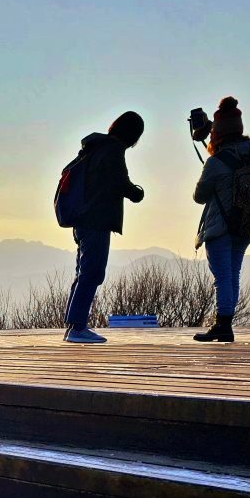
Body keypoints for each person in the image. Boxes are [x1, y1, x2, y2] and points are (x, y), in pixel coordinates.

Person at [61, 111, 146, 344]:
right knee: (93, 272)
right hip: (96, 220)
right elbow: (119, 182)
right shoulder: (113, 150)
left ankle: (72, 325)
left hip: (82, 219)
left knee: (84, 272)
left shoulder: (94, 147)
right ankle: (77, 328)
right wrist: (137, 193)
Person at [192, 97, 250, 343]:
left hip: (219, 226)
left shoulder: (215, 161)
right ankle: (225, 324)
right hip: (244, 224)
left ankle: (222, 325)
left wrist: (211, 148)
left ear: (216, 131)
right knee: (233, 275)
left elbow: (199, 196)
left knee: (222, 278)